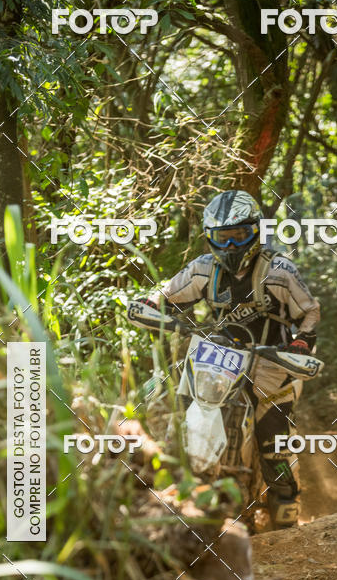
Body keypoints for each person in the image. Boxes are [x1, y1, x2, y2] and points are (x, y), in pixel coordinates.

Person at [127, 189, 320, 529]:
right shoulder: (203, 269)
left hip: (269, 361)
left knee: (273, 437)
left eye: (239, 237)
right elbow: (166, 295)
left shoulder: (279, 270)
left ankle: (285, 503)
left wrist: (302, 341)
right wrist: (152, 306)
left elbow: (309, 311)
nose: (231, 247)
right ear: (209, 238)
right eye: (223, 238)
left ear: (257, 232)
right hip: (212, 356)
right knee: (162, 400)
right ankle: (151, 480)